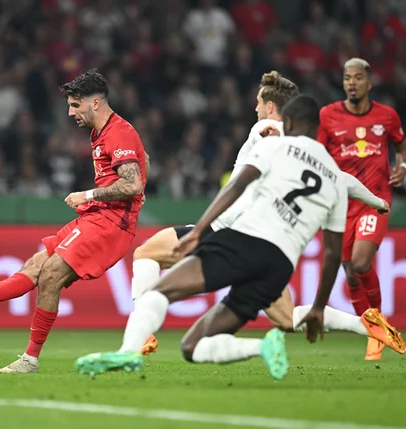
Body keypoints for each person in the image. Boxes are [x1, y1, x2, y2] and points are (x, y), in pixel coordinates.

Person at [75, 95, 405, 380]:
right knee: (234, 334)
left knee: (157, 293)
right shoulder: (333, 173)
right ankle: (273, 343)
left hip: (244, 239)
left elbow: (237, 183)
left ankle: (129, 352)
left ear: (286, 120)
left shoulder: (274, 144)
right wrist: (377, 203)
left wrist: (200, 231)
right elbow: (333, 253)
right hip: (278, 264)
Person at [131, 71, 389, 355]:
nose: (255, 108)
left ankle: (141, 334)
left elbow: (268, 132)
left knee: (146, 254)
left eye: (258, 102)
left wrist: (270, 132)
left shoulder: (265, 127)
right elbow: (343, 179)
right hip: (265, 245)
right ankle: (365, 324)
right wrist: (375, 200)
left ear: (269, 106)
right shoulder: (310, 153)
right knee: (287, 320)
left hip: (223, 231)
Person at [0, 69, 149, 373]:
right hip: (96, 217)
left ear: (95, 103)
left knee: (51, 274)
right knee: (35, 265)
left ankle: (29, 360)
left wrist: (89, 194)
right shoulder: (104, 131)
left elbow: (132, 183)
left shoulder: (117, 132)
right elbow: (142, 160)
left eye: (75, 105)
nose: (70, 113)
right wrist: (135, 187)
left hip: (110, 223)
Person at [318, 58, 406, 360]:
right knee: (351, 276)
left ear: (369, 82)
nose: (352, 83)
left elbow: (400, 145)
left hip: (374, 201)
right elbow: (316, 153)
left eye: (357, 77)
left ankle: (378, 328)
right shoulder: (328, 116)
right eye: (346, 78)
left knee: (360, 262)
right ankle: (374, 333)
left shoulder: (387, 116)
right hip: (339, 205)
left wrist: (402, 165)